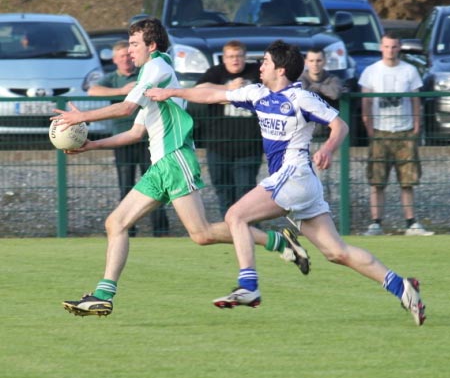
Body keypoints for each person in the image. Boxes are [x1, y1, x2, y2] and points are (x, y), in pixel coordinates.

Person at [147, 39, 426, 326]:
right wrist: (171, 92)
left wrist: (328, 149)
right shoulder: (257, 94)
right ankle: (402, 286)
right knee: (335, 252)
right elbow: (213, 95)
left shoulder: (300, 98)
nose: (260, 66)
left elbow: (339, 125)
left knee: (235, 216)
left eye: (265, 61)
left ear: (280, 69)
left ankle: (249, 286)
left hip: (295, 176)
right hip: (295, 183)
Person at [52, 18, 310, 317]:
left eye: (135, 44)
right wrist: (92, 146)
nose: (130, 50)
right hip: (160, 165)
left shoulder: (157, 68)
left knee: (200, 233)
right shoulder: (148, 76)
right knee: (117, 223)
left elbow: (124, 109)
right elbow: (136, 133)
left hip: (175, 160)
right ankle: (102, 296)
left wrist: (80, 117)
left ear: (152, 45)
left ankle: (278, 241)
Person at [88, 40, 169, 237]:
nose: (126, 58)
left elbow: (128, 108)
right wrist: (122, 92)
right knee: (126, 184)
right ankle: (128, 228)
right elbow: (92, 90)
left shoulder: (143, 75)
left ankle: (160, 230)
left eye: (128, 54)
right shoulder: (112, 79)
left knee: (154, 185)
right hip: (123, 138)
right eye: (121, 56)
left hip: (147, 138)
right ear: (115, 60)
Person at [359, 32, 433, 237]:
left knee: (407, 181)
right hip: (380, 132)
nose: (390, 51)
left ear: (400, 48)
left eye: (394, 47)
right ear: (381, 47)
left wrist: (417, 126)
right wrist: (369, 127)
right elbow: (365, 102)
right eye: (387, 46)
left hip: (405, 130)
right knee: (377, 181)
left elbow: (416, 100)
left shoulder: (410, 71)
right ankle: (376, 223)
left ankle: (411, 223)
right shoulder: (371, 72)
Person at [194, 40, 263, 217]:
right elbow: (200, 89)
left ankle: (250, 230)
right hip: (218, 145)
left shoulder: (256, 72)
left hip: (249, 146)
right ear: (224, 58)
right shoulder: (216, 73)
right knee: (223, 192)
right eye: (231, 56)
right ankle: (229, 232)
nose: (235, 60)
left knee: (246, 193)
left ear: (244, 57)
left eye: (239, 56)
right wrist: (227, 88)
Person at [299, 47, 345, 139]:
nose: (315, 64)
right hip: (304, 135)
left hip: (328, 135)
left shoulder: (333, 79)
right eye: (311, 61)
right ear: (306, 62)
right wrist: (323, 91)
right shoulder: (300, 79)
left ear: (324, 61)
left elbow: (335, 93)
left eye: (318, 60)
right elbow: (304, 94)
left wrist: (317, 86)